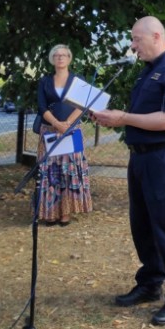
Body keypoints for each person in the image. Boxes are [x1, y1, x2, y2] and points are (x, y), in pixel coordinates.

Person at [92, 16, 165, 326]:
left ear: (157, 35)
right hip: (141, 160)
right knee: (143, 226)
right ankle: (150, 284)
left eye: (137, 39)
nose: (133, 46)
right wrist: (116, 117)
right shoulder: (147, 72)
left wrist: (122, 117)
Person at [35, 44, 93, 226]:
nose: (60, 58)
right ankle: (50, 212)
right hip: (50, 130)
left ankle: (66, 212)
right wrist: (56, 124)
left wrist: (67, 124)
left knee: (69, 171)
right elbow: (41, 107)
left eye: (63, 55)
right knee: (50, 171)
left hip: (72, 130)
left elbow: (83, 104)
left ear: (69, 58)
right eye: (56, 55)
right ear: (52, 59)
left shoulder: (78, 80)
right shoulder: (44, 81)